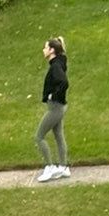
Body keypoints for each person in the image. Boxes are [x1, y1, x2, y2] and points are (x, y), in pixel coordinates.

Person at [35, 36, 70, 182]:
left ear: (52, 50)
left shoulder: (55, 66)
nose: (43, 50)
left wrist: (52, 95)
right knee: (58, 135)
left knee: (39, 137)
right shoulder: (58, 62)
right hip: (60, 106)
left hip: (55, 107)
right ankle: (63, 167)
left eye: (45, 47)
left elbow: (64, 82)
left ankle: (49, 168)